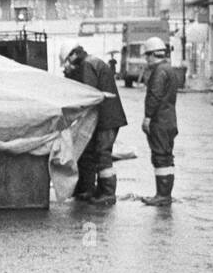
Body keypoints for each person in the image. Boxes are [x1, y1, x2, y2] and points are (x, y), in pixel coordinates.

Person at [60, 41, 127, 204]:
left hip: (106, 118)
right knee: (92, 152)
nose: (67, 66)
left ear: (74, 54)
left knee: (103, 154)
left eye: (67, 62)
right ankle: (92, 190)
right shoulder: (91, 62)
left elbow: (87, 94)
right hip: (106, 116)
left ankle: (107, 193)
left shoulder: (87, 65)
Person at [140, 36, 178, 206]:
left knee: (160, 157)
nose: (146, 60)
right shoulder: (169, 69)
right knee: (167, 157)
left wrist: (147, 117)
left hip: (159, 121)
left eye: (147, 56)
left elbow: (154, 95)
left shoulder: (158, 72)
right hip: (169, 120)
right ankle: (165, 194)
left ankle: (162, 195)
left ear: (152, 54)